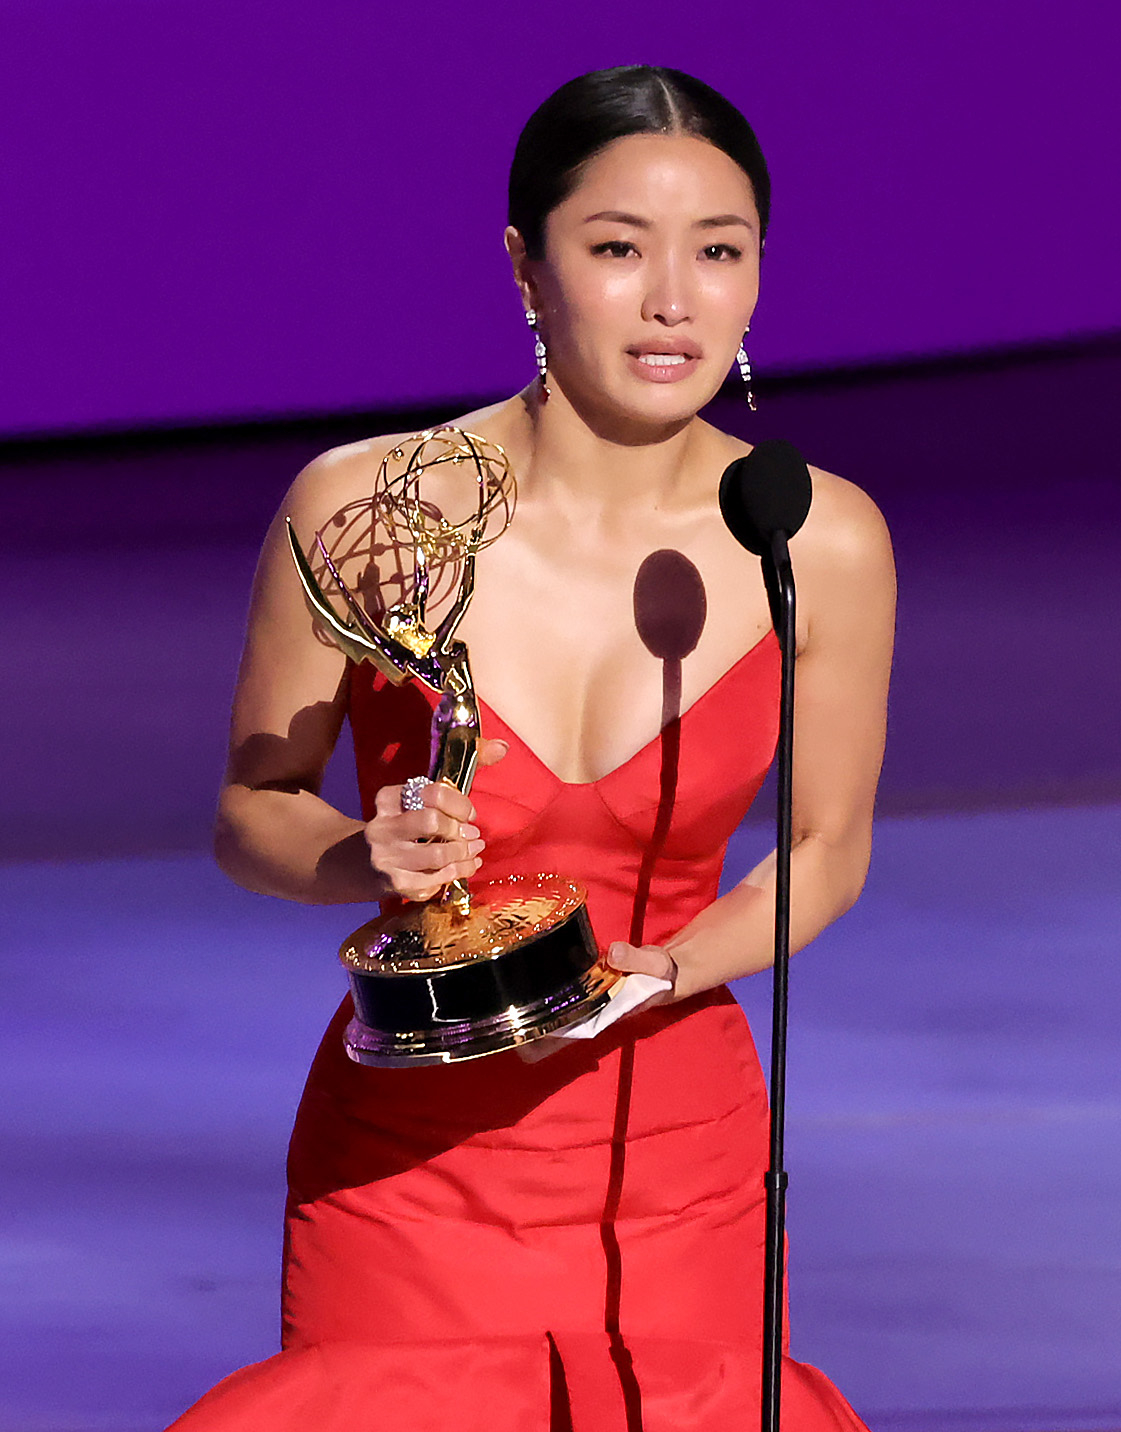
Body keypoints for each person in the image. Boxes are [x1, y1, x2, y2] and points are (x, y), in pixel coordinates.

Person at [170, 64, 895, 1432]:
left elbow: (825, 848)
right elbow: (248, 809)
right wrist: (353, 853)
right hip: (411, 1152)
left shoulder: (817, 536)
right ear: (524, 263)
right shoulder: (369, 507)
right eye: (617, 248)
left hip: (673, 1153)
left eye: (718, 252)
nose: (672, 297)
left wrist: (669, 969)